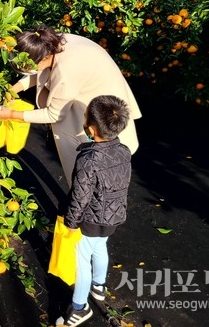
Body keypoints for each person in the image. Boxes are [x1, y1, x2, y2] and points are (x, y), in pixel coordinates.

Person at [0, 25, 141, 187]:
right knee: (101, 161)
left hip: (100, 104)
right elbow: (39, 70)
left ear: (42, 58)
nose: (31, 72)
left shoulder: (66, 71)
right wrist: (14, 88)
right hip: (98, 92)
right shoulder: (48, 42)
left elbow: (54, 114)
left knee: (89, 161)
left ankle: (83, 199)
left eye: (29, 67)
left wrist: (11, 114)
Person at [56, 95, 132, 326]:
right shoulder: (124, 150)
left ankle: (80, 308)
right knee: (101, 247)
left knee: (82, 260)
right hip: (114, 216)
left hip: (91, 219)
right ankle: (99, 286)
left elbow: (80, 197)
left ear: (90, 128)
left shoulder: (88, 160)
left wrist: (71, 222)